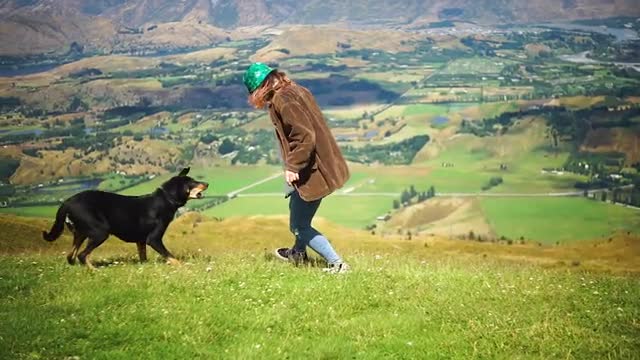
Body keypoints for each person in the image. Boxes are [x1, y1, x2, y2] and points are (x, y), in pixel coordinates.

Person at [242, 62, 350, 273]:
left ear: (262, 85)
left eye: (254, 92)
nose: (256, 98)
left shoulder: (283, 99)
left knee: (299, 225)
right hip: (319, 164)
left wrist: (293, 166)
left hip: (312, 169)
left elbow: (304, 136)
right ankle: (298, 254)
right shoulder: (295, 89)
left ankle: (337, 264)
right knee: (297, 207)